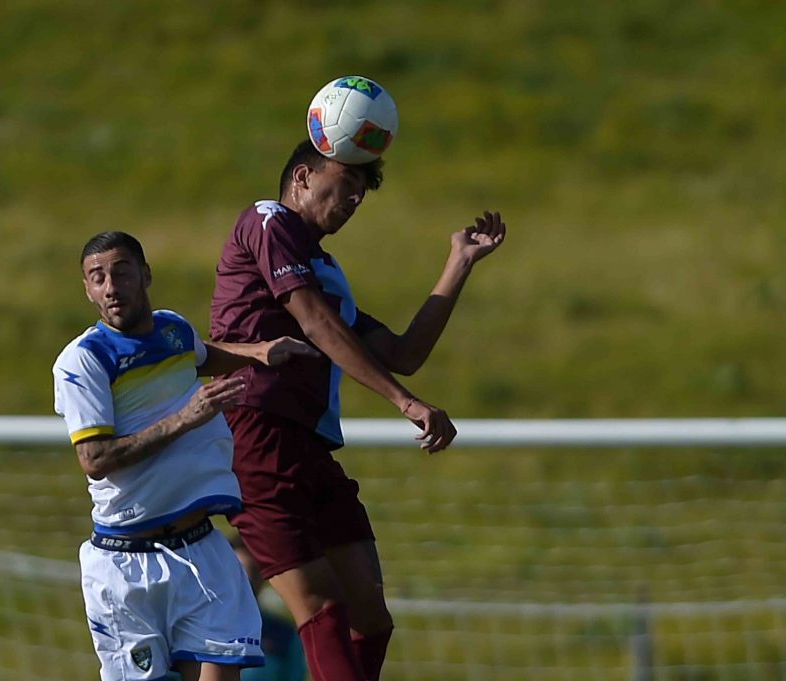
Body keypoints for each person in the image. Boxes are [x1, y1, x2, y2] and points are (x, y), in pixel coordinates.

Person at [209, 140, 506, 680]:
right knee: (320, 607)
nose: (355, 199)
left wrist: (459, 262)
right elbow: (317, 325)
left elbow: (403, 354)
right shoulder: (267, 219)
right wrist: (404, 401)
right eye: (346, 182)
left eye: (362, 190)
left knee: (369, 613)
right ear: (302, 177)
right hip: (256, 431)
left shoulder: (324, 272)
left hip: (308, 445)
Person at [53, 231, 320, 681]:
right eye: (98, 278)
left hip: (200, 549)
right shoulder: (84, 361)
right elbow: (95, 458)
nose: (111, 287)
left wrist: (259, 352)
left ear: (145, 275)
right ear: (88, 290)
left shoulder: (171, 329)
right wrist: (185, 418)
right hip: (128, 562)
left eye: (121, 272)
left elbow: (200, 355)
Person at [230, 534, 308, 681]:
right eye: (239, 571)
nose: (247, 579)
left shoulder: (285, 635)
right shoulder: (199, 626)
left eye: (253, 571)